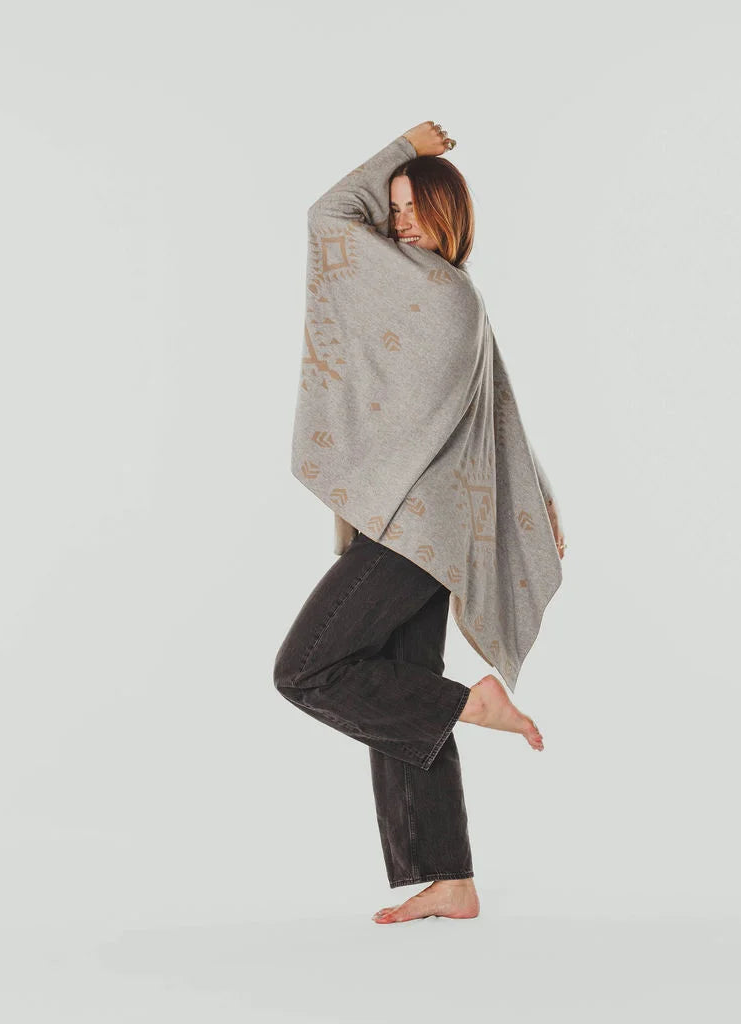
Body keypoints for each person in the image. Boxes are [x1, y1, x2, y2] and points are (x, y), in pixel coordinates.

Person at [274, 122, 565, 925]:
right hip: (429, 527)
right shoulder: (457, 295)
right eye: (393, 207)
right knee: (400, 685)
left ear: (449, 212)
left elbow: (329, 217)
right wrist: (540, 496)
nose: (398, 221)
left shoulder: (427, 290)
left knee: (306, 670)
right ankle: (450, 878)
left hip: (413, 527)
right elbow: (501, 413)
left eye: (414, 207)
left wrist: (403, 145)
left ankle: (470, 704)